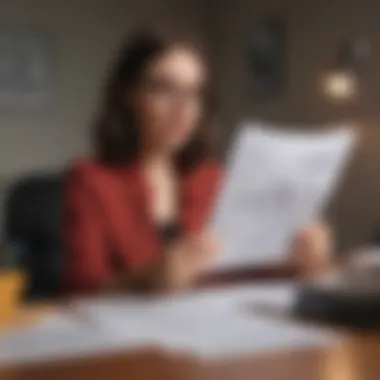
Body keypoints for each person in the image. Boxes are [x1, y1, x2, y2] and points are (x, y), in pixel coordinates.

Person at [65, 28, 332, 295]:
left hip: (215, 329)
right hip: (130, 335)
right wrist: (145, 280)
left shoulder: (210, 177)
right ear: (129, 95)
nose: (183, 108)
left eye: (194, 93)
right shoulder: (90, 180)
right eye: (164, 88)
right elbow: (79, 292)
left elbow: (242, 272)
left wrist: (294, 262)